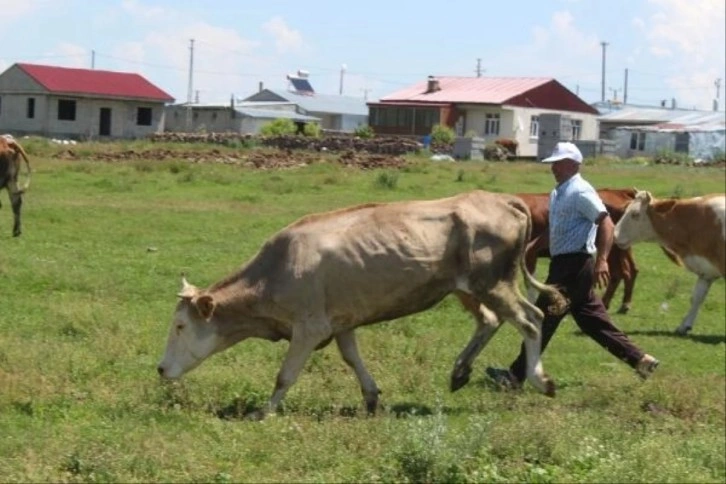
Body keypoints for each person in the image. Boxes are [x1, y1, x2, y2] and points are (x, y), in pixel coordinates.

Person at [486, 142, 659, 389]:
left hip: (574, 266)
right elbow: (559, 228)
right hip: (567, 266)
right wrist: (535, 245)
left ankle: (514, 377)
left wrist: (602, 261)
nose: (553, 168)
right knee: (593, 322)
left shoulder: (580, 191)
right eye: (553, 163)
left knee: (541, 320)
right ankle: (641, 361)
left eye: (559, 163)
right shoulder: (560, 192)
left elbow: (606, 224)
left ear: (573, 164)